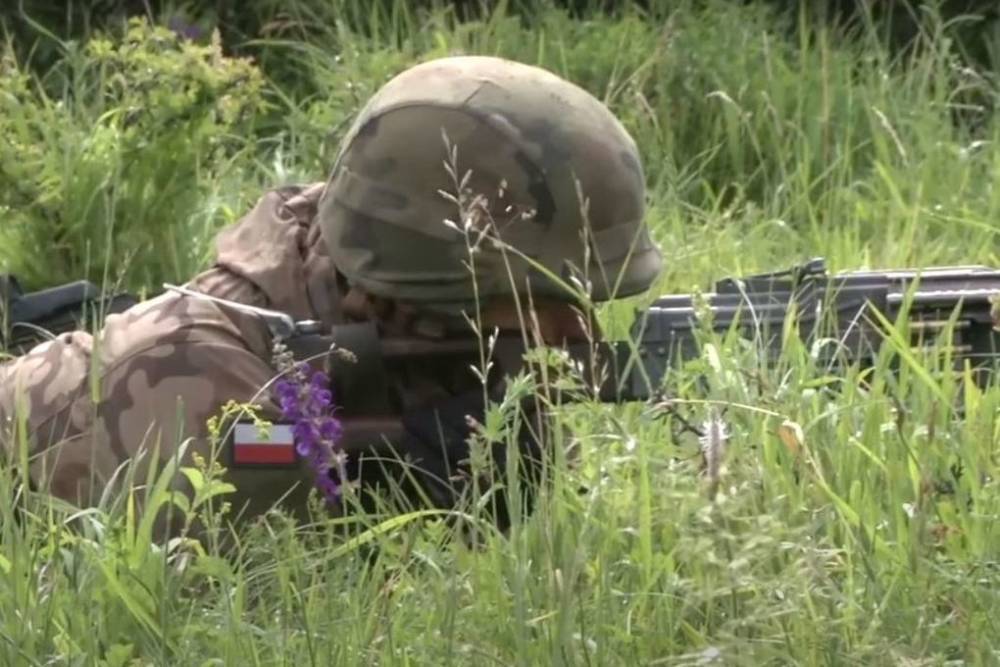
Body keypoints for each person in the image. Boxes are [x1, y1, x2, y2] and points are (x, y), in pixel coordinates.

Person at [0, 56, 662, 522]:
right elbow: (270, 620)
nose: (579, 329)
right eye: (548, 297)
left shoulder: (396, 320)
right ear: (423, 283)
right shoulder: (203, 394)